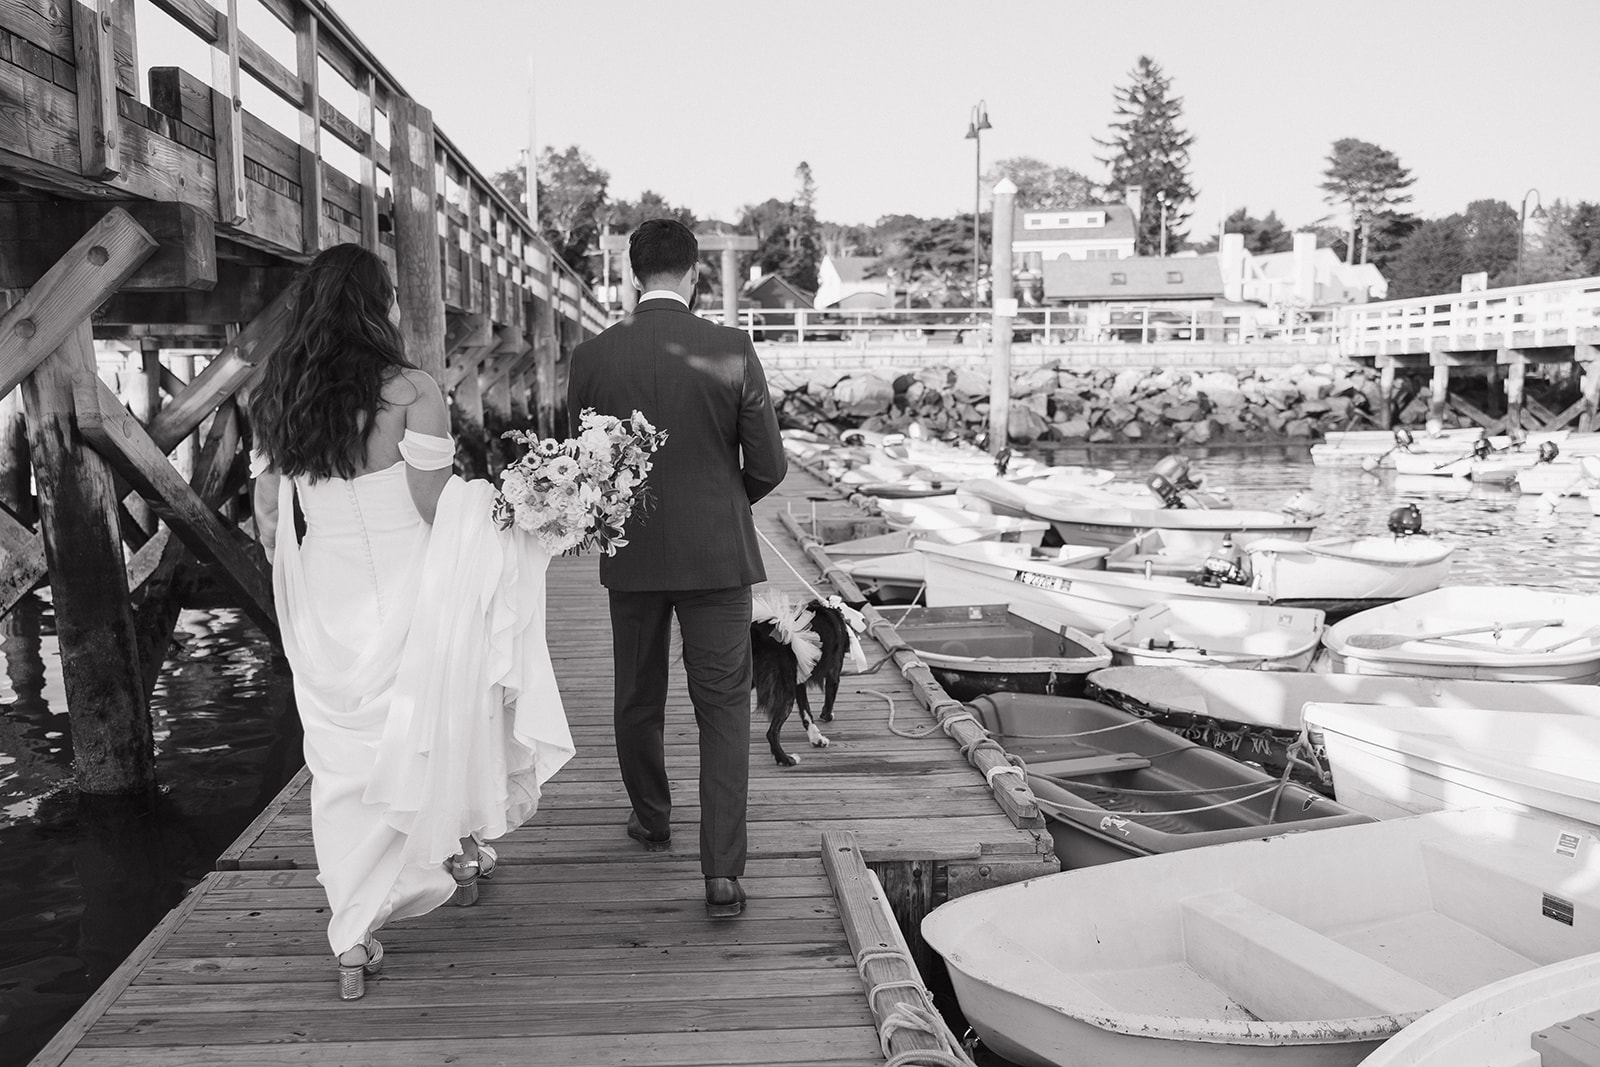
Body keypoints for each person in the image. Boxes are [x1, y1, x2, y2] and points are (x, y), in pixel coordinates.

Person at [251, 243, 574, 999]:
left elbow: (272, 511)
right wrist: (514, 513)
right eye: (393, 294)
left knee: (343, 764)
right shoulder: (411, 390)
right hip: (407, 584)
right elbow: (436, 504)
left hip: (329, 596)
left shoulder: (278, 391)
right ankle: (458, 852)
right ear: (377, 305)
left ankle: (354, 937)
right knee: (437, 722)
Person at [567, 218, 787, 918]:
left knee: (636, 692)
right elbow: (771, 464)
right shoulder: (731, 348)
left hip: (630, 550)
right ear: (694, 274)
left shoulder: (592, 356)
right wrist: (727, 502)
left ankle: (652, 817)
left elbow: (587, 467)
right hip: (717, 557)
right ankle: (722, 872)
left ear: (634, 274)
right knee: (723, 707)